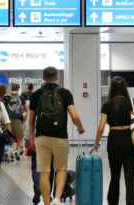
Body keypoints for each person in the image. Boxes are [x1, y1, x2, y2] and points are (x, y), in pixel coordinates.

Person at [29, 66, 85, 205]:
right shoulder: (65, 93)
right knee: (61, 169)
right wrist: (80, 128)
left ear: (43, 78)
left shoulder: (36, 95)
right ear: (57, 77)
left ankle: (47, 203)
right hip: (60, 137)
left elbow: (30, 121)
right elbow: (74, 116)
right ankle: (58, 199)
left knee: (44, 172)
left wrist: (32, 137)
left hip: (42, 138)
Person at [90, 77, 134, 205]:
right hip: (130, 141)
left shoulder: (107, 104)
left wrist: (96, 144)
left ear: (112, 88)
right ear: (125, 88)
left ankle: (112, 202)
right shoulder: (132, 102)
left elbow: (101, 128)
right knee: (130, 178)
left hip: (114, 141)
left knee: (115, 176)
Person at [5, 83, 27, 160]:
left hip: (8, 121)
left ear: (11, 89)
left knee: (9, 137)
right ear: (18, 89)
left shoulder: (7, 97)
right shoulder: (21, 97)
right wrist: (23, 117)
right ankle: (16, 150)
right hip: (18, 120)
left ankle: (10, 153)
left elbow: (4, 109)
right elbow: (25, 109)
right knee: (21, 137)